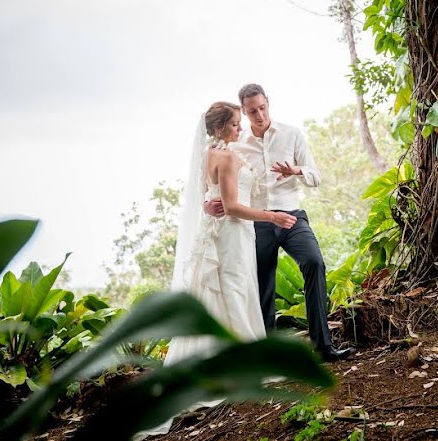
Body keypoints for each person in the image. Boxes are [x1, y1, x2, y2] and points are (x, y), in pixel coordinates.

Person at [134, 101, 297, 439]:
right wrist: (273, 216)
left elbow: (210, 197)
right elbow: (234, 207)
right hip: (232, 234)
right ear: (221, 127)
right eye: (235, 124)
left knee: (226, 292)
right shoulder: (225, 157)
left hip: (222, 233)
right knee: (234, 291)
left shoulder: (210, 154)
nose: (240, 129)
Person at [205, 84, 356, 363]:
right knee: (261, 284)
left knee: (314, 263)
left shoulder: (291, 134)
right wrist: (209, 203)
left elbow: (315, 177)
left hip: (291, 215)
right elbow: (216, 181)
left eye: (262, 108)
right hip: (256, 221)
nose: (259, 115)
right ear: (244, 111)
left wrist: (296, 170)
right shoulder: (236, 141)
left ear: (268, 103)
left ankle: (323, 346)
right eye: (252, 111)